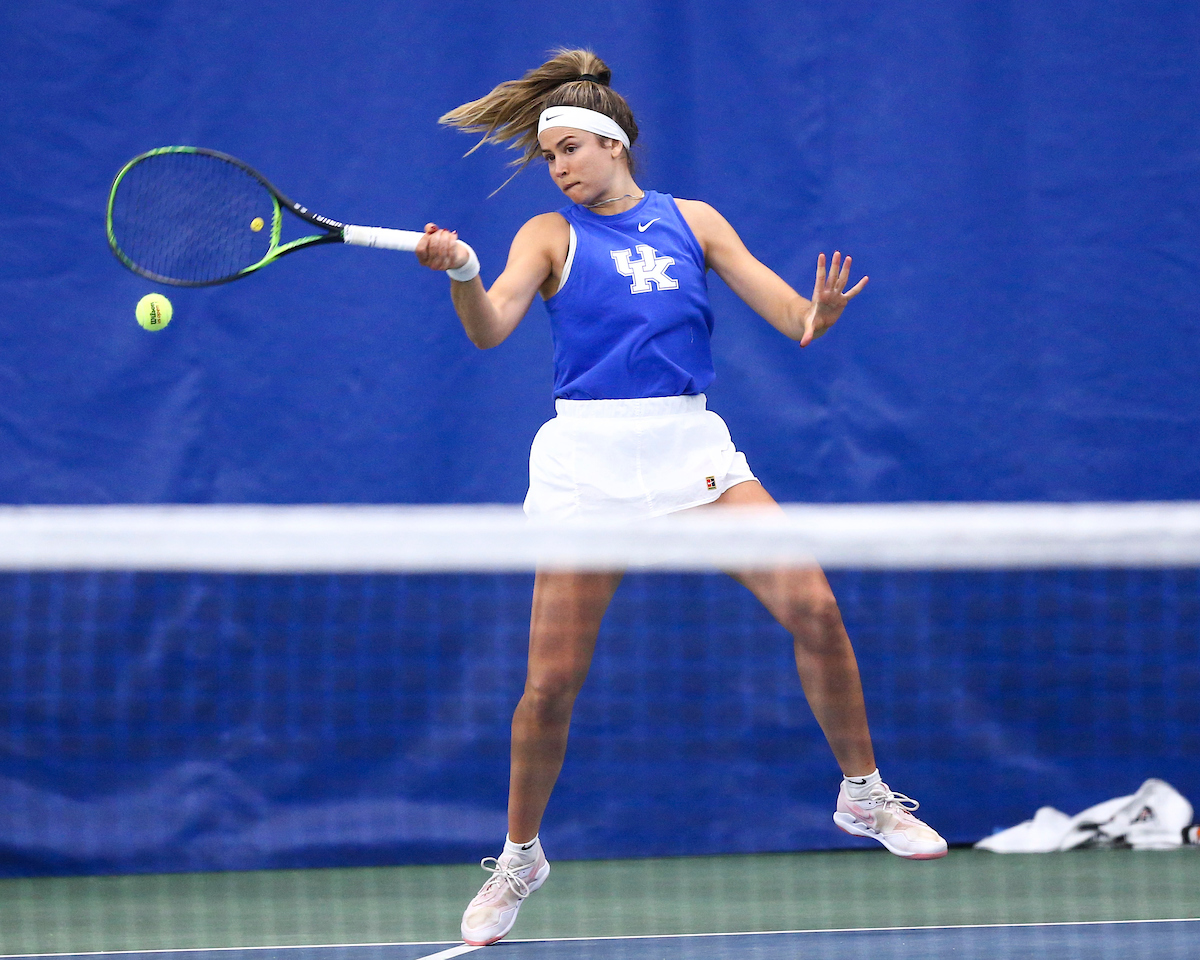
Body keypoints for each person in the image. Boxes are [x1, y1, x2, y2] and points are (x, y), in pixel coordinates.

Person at [415, 48, 947, 948]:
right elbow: (491, 328)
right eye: (551, 157)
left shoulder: (691, 221)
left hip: (691, 450)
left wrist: (824, 313)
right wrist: (464, 273)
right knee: (549, 684)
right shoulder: (545, 235)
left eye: (573, 149)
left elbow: (795, 321)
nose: (560, 167)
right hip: (588, 465)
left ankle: (863, 795)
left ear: (615, 145)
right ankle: (519, 857)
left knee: (815, 607)